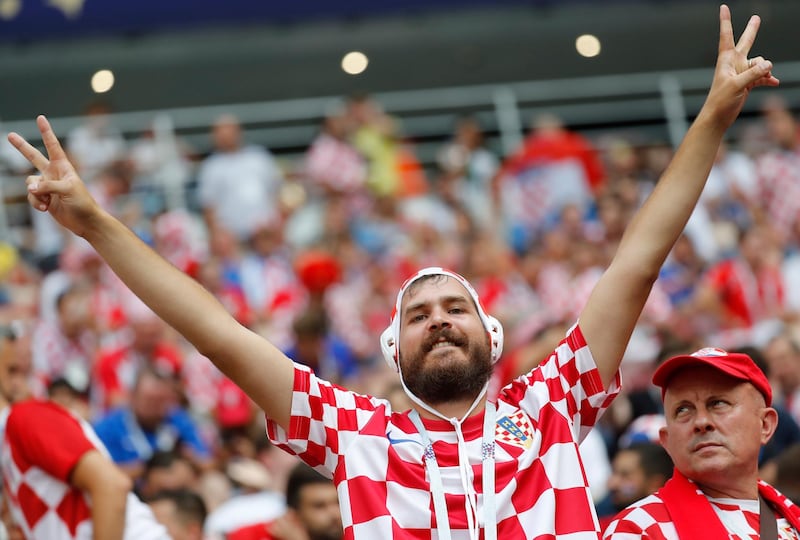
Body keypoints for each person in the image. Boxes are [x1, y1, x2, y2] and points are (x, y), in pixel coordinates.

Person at [7, 5, 778, 538]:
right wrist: (94, 222)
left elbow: (638, 262)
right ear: (392, 356)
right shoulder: (352, 431)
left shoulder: (552, 403)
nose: (439, 317)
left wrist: (712, 114)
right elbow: (215, 331)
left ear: (493, 333)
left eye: (455, 306)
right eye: (417, 314)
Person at [602, 348, 800, 538]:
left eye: (718, 403)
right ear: (667, 441)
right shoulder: (637, 530)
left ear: (765, 425)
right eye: (683, 410)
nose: (701, 422)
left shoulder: (792, 522)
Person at [0, 325, 170, 539]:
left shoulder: (23, 418)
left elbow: (112, 485)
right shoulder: (11, 441)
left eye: (15, 370)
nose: (18, 379)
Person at [226, 462, 342, 540]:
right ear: (294, 513)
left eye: (339, 503)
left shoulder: (356, 531)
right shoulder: (253, 536)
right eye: (319, 506)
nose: (335, 513)